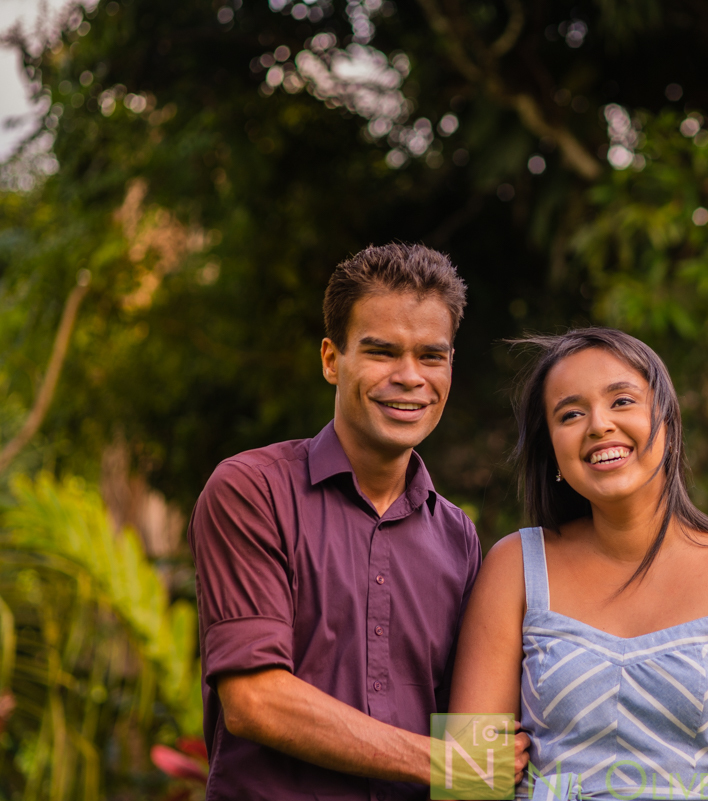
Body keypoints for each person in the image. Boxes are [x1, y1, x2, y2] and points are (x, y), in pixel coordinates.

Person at [188, 243, 528, 801]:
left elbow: (479, 738)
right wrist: (444, 761)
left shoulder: (459, 538)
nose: (410, 377)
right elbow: (255, 700)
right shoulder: (252, 491)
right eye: (381, 352)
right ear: (330, 359)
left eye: (431, 356)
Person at [450, 328, 708, 800]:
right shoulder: (515, 566)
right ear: (555, 454)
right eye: (570, 414)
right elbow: (466, 779)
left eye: (621, 401)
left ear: (666, 420)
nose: (599, 424)